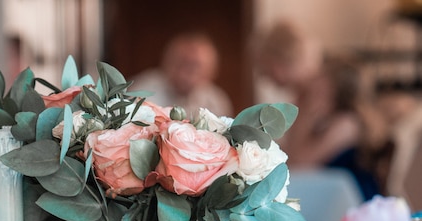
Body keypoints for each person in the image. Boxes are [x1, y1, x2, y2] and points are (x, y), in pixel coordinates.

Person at [253, 20, 390, 200]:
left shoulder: (347, 124)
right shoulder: (330, 120)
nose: (313, 80)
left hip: (352, 203)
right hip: (330, 198)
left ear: (336, 87)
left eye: (321, 77)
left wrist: (307, 114)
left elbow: (298, 165)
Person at [131, 32, 233, 118]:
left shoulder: (216, 101)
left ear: (212, 71)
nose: (189, 73)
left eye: (196, 66)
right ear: (167, 63)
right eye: (183, 63)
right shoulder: (141, 91)